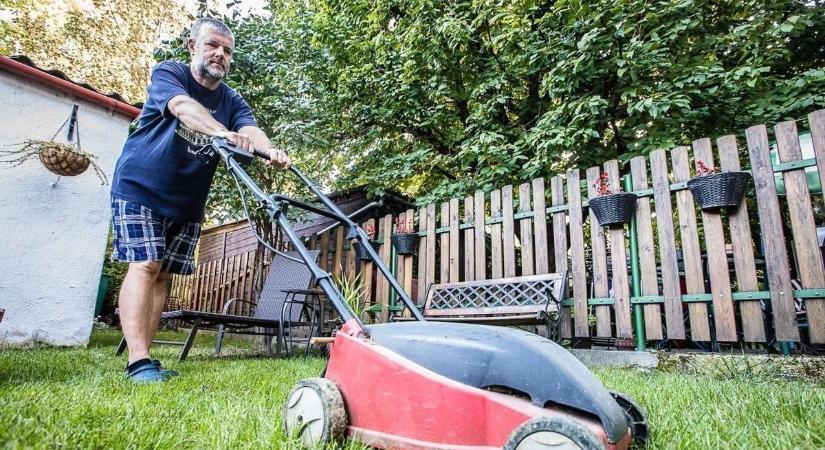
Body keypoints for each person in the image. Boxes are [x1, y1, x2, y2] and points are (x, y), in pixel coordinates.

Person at [110, 17, 290, 383]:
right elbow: (183, 109)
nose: (220, 54)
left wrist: (269, 150)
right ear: (193, 47)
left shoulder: (231, 98)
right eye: (213, 46)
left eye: (227, 51)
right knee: (145, 266)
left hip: (187, 199)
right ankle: (137, 361)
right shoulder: (170, 73)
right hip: (140, 184)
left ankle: (147, 358)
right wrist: (222, 132)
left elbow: (249, 128)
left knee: (163, 276)